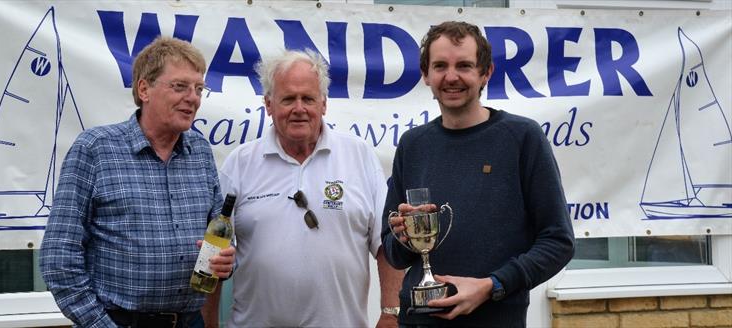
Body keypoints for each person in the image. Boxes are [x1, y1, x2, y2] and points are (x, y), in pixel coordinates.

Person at [382, 21, 575, 327]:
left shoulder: (522, 138)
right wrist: (404, 237)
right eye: (440, 66)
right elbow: (394, 254)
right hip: (418, 321)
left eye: (465, 65)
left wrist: (492, 286)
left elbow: (558, 241)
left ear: (486, 73)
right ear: (426, 74)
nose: (451, 76)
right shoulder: (412, 145)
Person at [40, 37, 235, 328]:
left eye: (198, 89)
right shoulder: (95, 149)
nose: (193, 97)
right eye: (180, 86)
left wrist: (227, 261)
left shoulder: (200, 152)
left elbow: (220, 235)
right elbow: (59, 259)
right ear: (144, 89)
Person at [216, 49, 404, 327]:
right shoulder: (239, 164)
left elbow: (387, 244)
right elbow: (215, 254)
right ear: (269, 104)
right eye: (288, 99)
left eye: (308, 98)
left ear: (324, 103)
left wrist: (390, 313)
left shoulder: (359, 156)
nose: (299, 108)